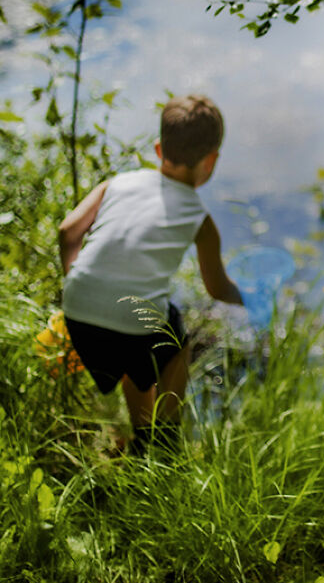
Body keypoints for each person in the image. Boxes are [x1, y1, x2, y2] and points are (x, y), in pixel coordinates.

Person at [59, 94, 242, 455]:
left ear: (159, 148)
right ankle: (164, 439)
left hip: (78, 310)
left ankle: (142, 439)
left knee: (138, 356)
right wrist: (245, 295)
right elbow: (216, 287)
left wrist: (78, 279)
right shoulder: (200, 219)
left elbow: (67, 232)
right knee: (177, 343)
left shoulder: (118, 183)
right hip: (132, 323)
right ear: (211, 161)